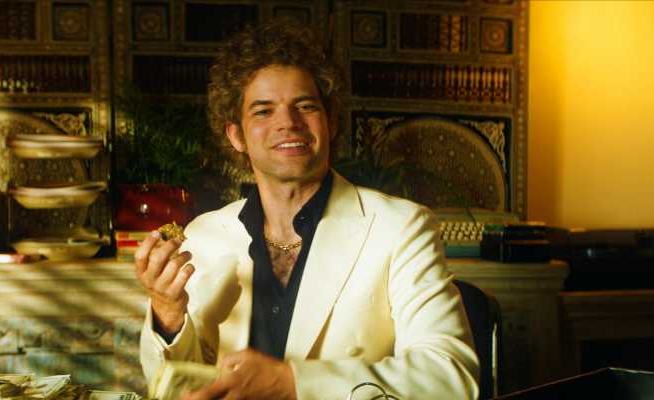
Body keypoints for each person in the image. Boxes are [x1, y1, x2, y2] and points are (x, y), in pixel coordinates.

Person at [134, 20, 479, 400]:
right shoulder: (203, 235)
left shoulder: (402, 228)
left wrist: (293, 383)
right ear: (237, 136)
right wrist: (168, 315)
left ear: (331, 121)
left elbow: (451, 377)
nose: (288, 123)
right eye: (263, 111)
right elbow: (176, 386)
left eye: (305, 106)